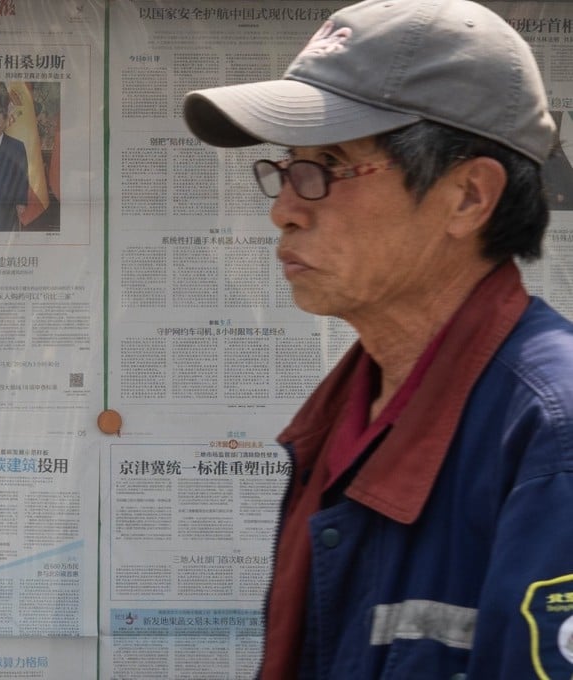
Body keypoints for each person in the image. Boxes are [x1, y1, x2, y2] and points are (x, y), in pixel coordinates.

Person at [183, 1, 573, 678]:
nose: (284, 209)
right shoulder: (347, 410)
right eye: (287, 167)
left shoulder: (550, 432)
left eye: (328, 166)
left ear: (468, 197)